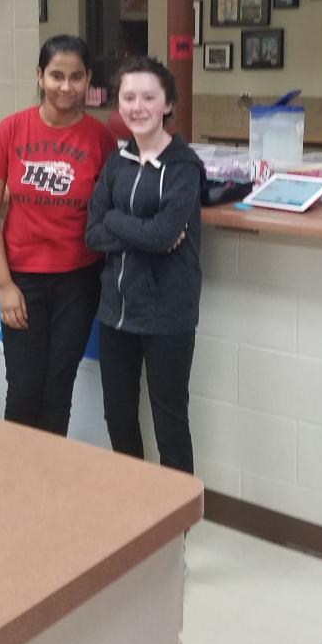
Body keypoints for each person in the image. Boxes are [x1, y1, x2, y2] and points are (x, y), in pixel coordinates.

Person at [0, 34, 117, 434]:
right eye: (56, 75)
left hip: (79, 282)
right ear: (40, 76)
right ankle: (15, 471)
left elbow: (113, 209)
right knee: (23, 391)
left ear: (88, 79)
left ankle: (48, 474)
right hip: (22, 281)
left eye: (76, 77)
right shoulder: (11, 129)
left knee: (57, 392)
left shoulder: (100, 138)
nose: (66, 86)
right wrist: (4, 284)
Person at [85, 56, 205, 474]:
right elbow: (93, 233)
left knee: (170, 422)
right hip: (115, 311)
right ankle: (132, 501)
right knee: (118, 416)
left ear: (167, 104)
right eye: (128, 97)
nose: (137, 107)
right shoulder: (116, 161)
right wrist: (140, 230)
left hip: (167, 314)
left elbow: (162, 235)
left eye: (148, 97)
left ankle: (178, 511)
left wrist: (116, 221)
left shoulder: (184, 166)